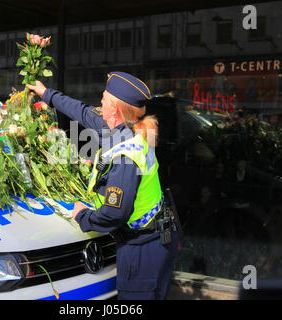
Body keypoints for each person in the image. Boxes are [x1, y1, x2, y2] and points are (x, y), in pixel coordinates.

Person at [27, 71, 179, 300]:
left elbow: (113, 214)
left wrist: (83, 216)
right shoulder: (127, 129)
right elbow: (83, 112)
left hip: (143, 245)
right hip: (159, 233)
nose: (100, 100)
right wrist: (46, 93)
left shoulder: (125, 157)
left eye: (105, 98)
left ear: (115, 109)